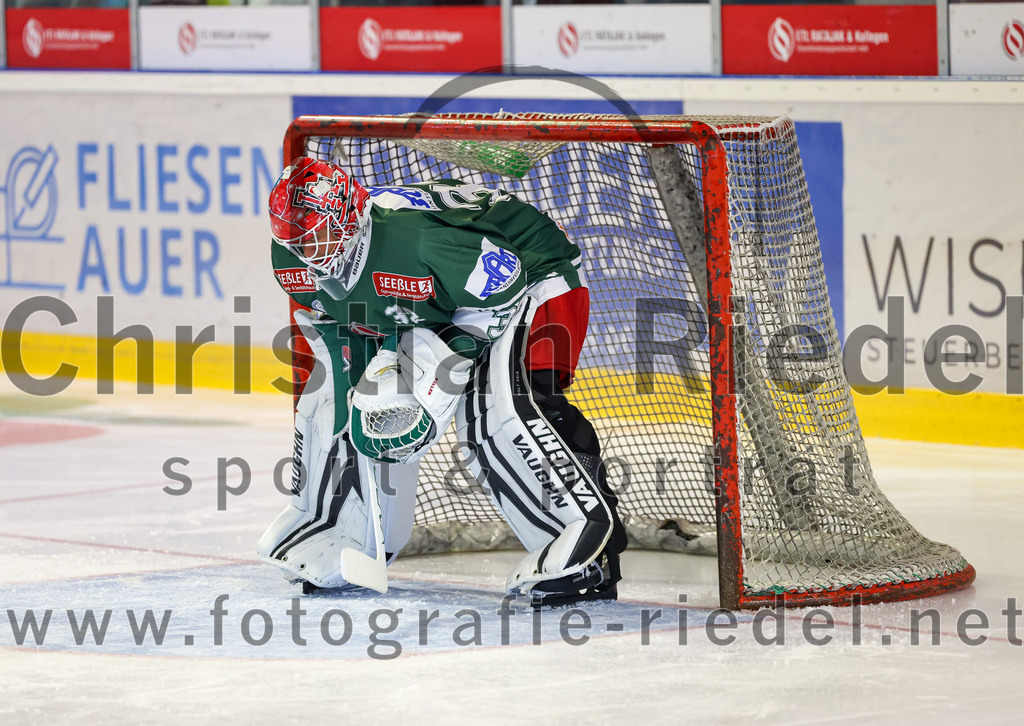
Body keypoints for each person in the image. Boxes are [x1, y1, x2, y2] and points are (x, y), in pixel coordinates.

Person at [256, 156, 626, 607]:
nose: (309, 254)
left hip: (529, 271)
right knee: (329, 401)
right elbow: (338, 329)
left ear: (350, 218)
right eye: (297, 242)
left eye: (317, 238)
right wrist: (355, 398)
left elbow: (501, 283)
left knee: (500, 409)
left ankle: (589, 546)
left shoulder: (418, 241)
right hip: (451, 296)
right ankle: (340, 531)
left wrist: (454, 363)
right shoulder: (291, 258)